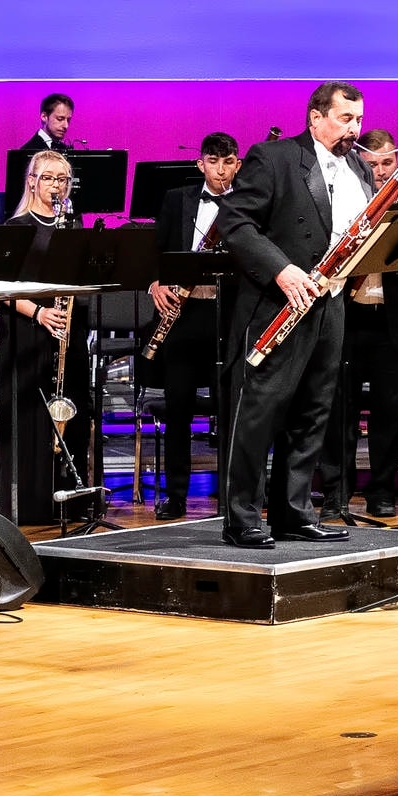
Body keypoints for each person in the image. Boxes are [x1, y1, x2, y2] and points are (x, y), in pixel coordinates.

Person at [214, 81, 375, 548]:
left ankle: (293, 512)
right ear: (315, 118)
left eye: (359, 119)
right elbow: (234, 222)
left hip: (331, 305)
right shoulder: (275, 158)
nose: (355, 129)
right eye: (346, 119)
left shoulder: (360, 169)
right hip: (278, 303)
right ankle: (241, 515)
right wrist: (282, 271)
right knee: (260, 411)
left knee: (312, 412)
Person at [323, 128, 398, 519]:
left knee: (388, 414)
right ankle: (337, 494)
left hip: (392, 322)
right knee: (338, 412)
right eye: (373, 164)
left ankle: (382, 492)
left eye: (387, 163)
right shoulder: (345, 202)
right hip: (348, 318)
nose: (381, 171)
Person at [145, 131, 240, 520]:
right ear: (200, 164)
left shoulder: (248, 201)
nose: (221, 170)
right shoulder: (176, 199)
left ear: (237, 164)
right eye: (213, 162)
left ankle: (238, 494)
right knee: (178, 408)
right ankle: (177, 495)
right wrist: (155, 283)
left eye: (228, 162)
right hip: (182, 316)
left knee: (234, 408)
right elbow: (155, 251)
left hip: (228, 316)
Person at [0, 150, 96, 526]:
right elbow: (2, 290)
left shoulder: (73, 228)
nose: (56, 185)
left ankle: (70, 500)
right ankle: (31, 503)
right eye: (49, 178)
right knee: (31, 418)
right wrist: (39, 313)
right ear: (32, 182)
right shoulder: (16, 228)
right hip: (27, 335)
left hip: (68, 333)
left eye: (63, 179)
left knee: (74, 410)